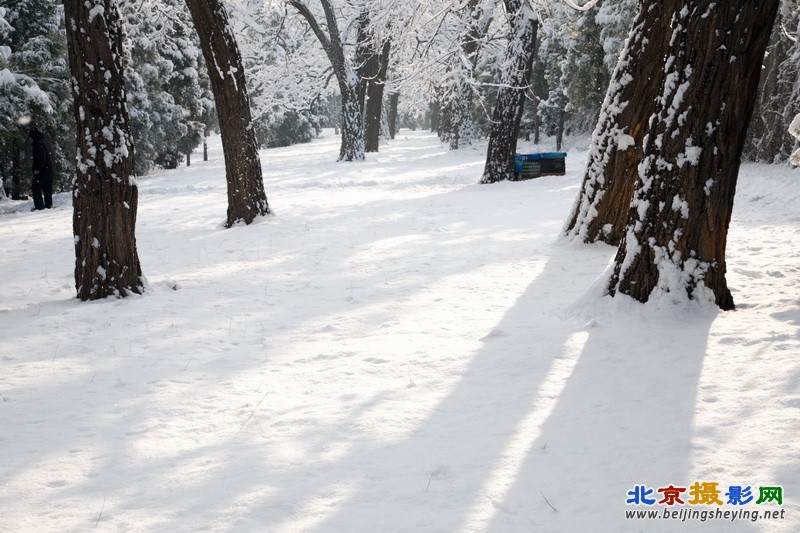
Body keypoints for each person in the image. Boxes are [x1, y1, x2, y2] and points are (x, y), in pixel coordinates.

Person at [29, 127, 54, 210]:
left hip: (42, 171)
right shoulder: (46, 142)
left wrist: (37, 169)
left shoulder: (38, 144)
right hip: (49, 169)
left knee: (36, 188)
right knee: (47, 189)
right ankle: (48, 205)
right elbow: (50, 155)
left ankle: (39, 206)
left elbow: (41, 157)